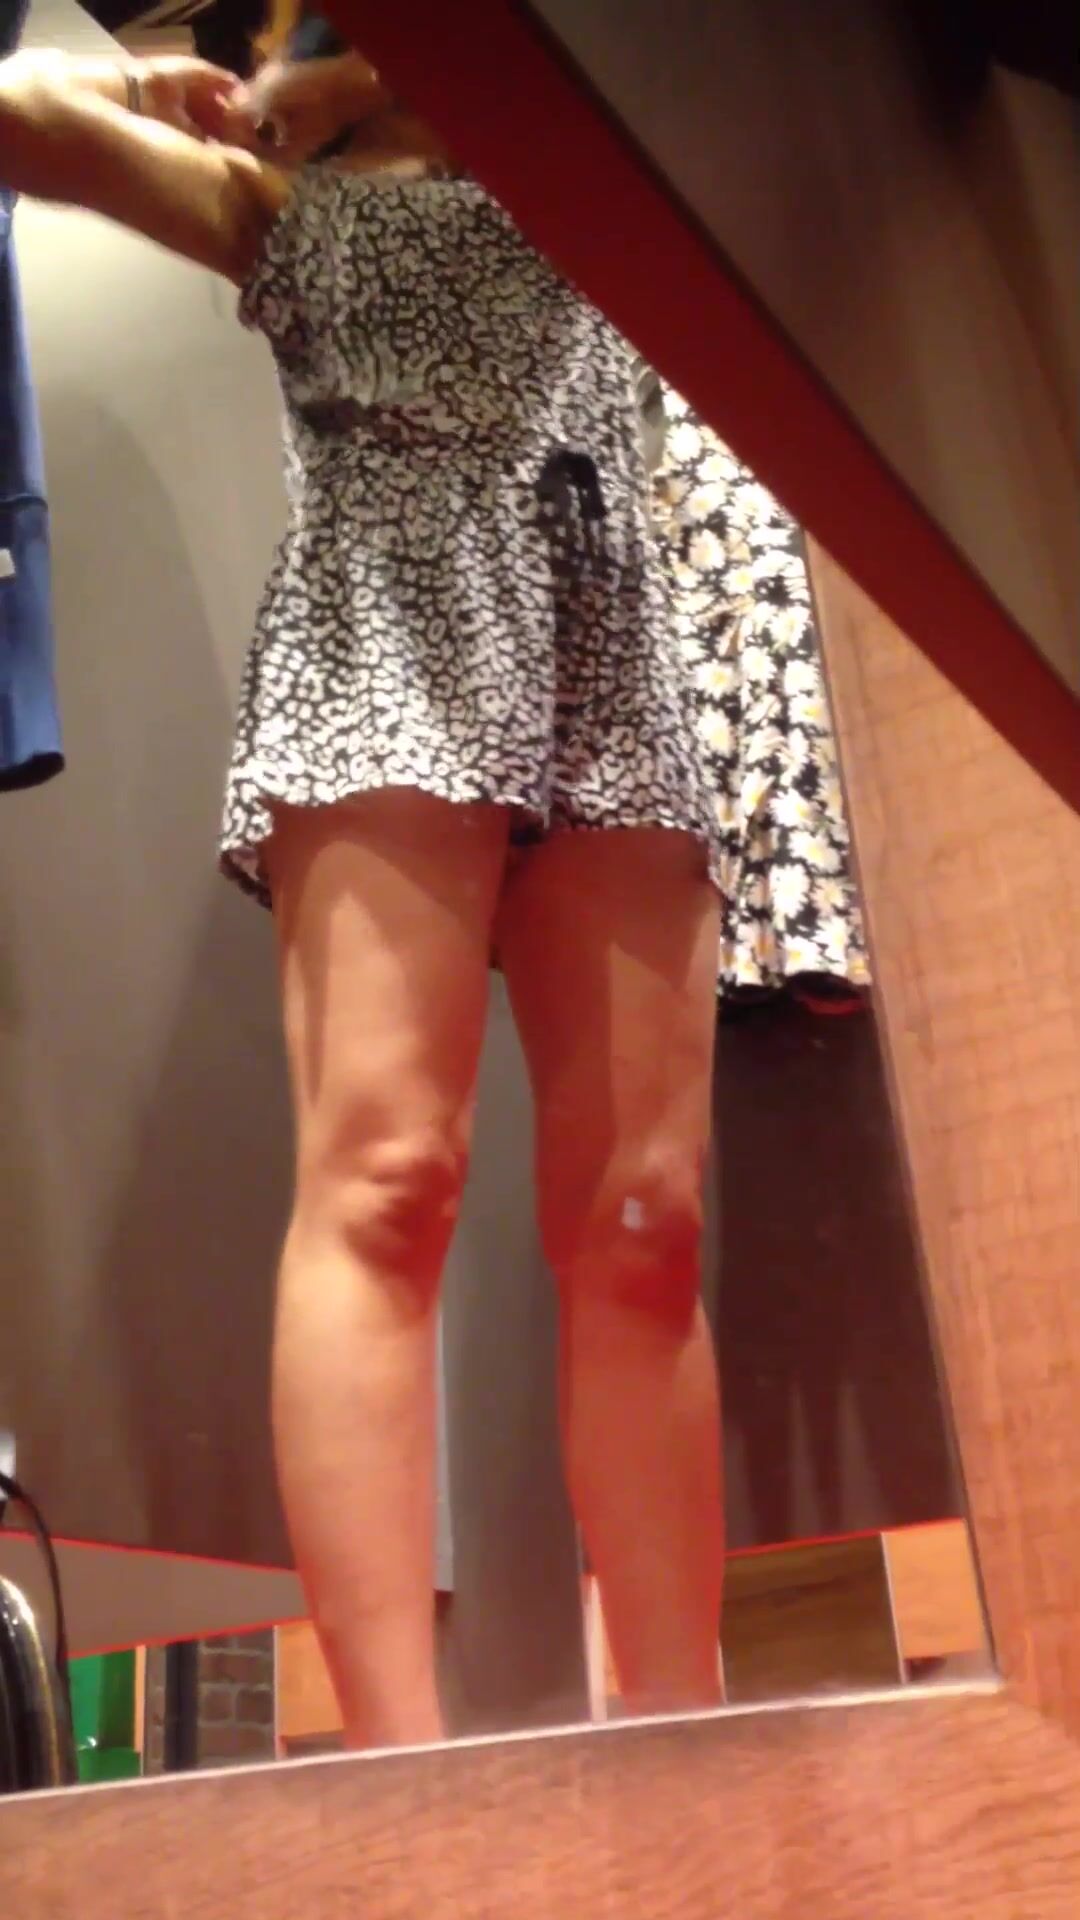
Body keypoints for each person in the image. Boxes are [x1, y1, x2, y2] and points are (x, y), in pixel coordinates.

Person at [10, 5, 726, 1748]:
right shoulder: (273, 200)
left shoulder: (612, 158)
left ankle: (687, 1735)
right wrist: (139, 80)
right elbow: (16, 116)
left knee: (647, 1217)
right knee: (391, 1176)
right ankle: (398, 1773)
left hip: (605, 624)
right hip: (388, 634)